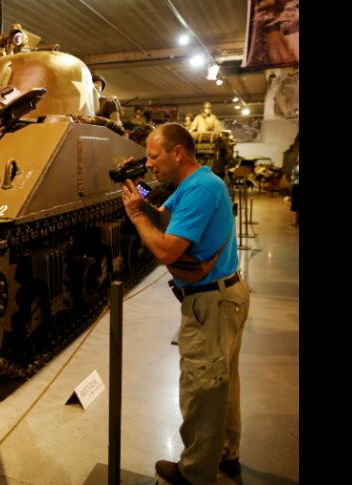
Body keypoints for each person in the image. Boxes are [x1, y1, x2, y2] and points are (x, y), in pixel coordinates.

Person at [120, 123, 249, 485]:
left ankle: (194, 474)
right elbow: (163, 213)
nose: (150, 162)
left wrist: (135, 215)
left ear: (178, 152)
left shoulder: (201, 189)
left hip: (211, 303)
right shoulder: (193, 185)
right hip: (222, 298)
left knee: (201, 389)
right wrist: (137, 190)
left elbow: (165, 248)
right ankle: (225, 457)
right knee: (222, 386)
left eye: (154, 155)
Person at [290, 158, 299, 226]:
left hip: (296, 186)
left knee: (294, 203)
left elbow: (292, 178)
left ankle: (294, 221)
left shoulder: (294, 168)